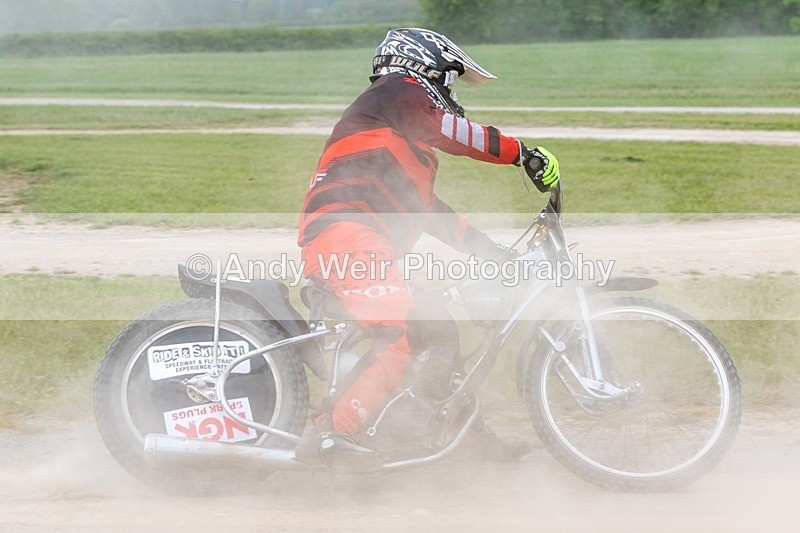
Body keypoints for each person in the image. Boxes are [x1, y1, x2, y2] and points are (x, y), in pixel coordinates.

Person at [295, 28, 560, 467]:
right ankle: (329, 432)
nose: (450, 93)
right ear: (424, 64)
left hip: (360, 238)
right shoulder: (396, 90)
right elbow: (450, 130)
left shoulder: (399, 140)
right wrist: (520, 153)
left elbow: (430, 213)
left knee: (437, 326)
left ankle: (462, 439)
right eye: (450, 80)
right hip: (346, 233)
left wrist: (491, 252)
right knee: (402, 329)